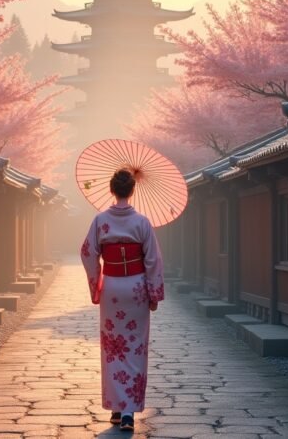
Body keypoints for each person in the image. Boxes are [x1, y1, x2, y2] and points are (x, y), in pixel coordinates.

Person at [79, 168, 165, 432]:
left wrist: (96, 285)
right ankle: (128, 412)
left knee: (113, 347)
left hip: (113, 288)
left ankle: (117, 408)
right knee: (134, 346)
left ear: (111, 189)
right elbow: (153, 259)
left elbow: (87, 253)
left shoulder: (100, 220)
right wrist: (153, 293)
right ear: (133, 190)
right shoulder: (142, 222)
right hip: (136, 287)